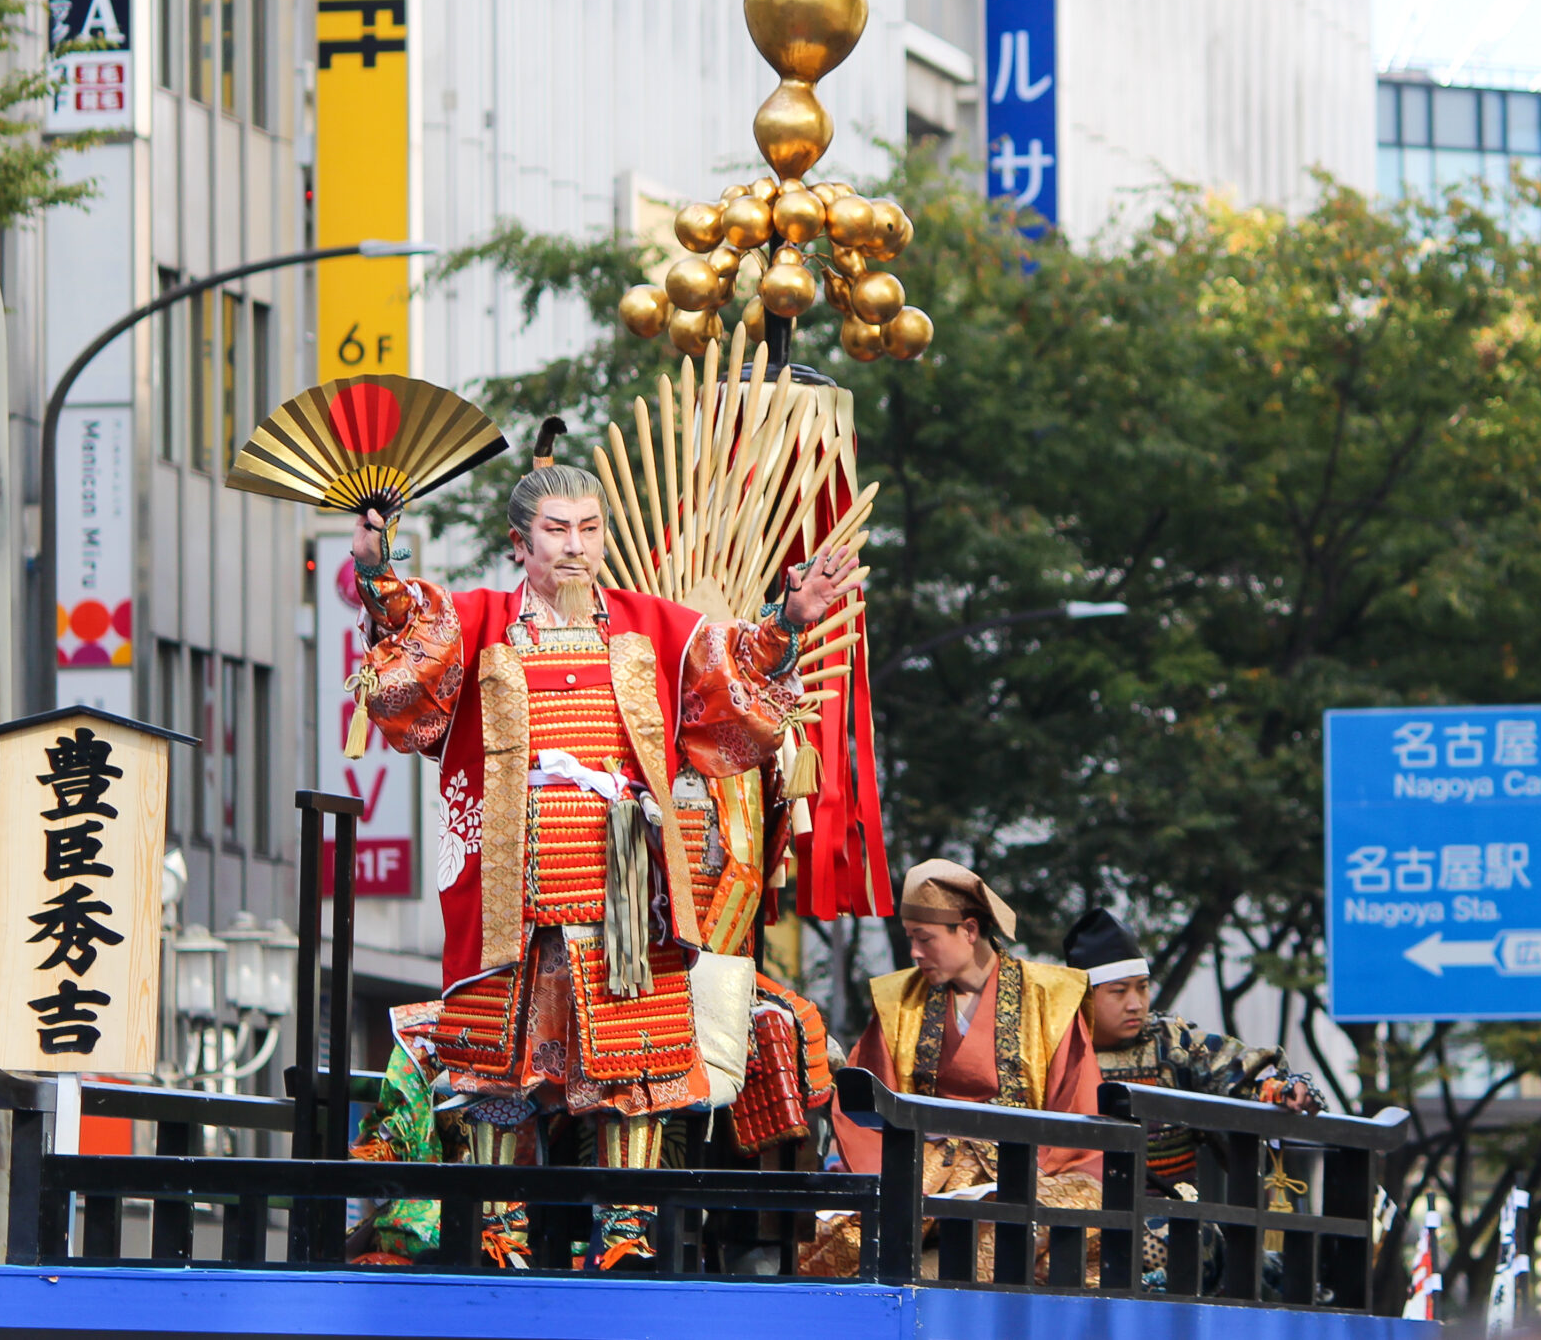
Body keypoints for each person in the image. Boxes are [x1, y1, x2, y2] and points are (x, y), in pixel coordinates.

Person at [342, 425, 859, 1268]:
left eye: (588, 528)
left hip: (624, 881)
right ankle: (496, 1231)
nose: (574, 546)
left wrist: (786, 621)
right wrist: (375, 571)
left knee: (634, 1066)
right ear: (520, 543)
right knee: (495, 1070)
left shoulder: (656, 627)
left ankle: (627, 1235)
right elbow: (412, 650)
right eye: (556, 529)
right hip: (512, 878)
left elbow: (730, 671)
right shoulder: (479, 623)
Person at [831, 859, 1104, 1181]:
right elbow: (864, 1105)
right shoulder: (900, 1001)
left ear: (969, 930)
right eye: (910, 939)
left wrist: (1033, 1173)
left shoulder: (1050, 997)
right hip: (923, 1171)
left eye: (925, 938)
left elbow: (1077, 1103)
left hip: (1031, 1169)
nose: (915, 952)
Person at [1064, 907, 1319, 1195]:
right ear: (1082, 995)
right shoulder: (1058, 1049)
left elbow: (1234, 1070)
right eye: (1119, 991)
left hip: (1171, 1217)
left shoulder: (1174, 1043)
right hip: (1077, 1215)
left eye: (1142, 988)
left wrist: (1281, 1090)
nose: (1135, 1003)